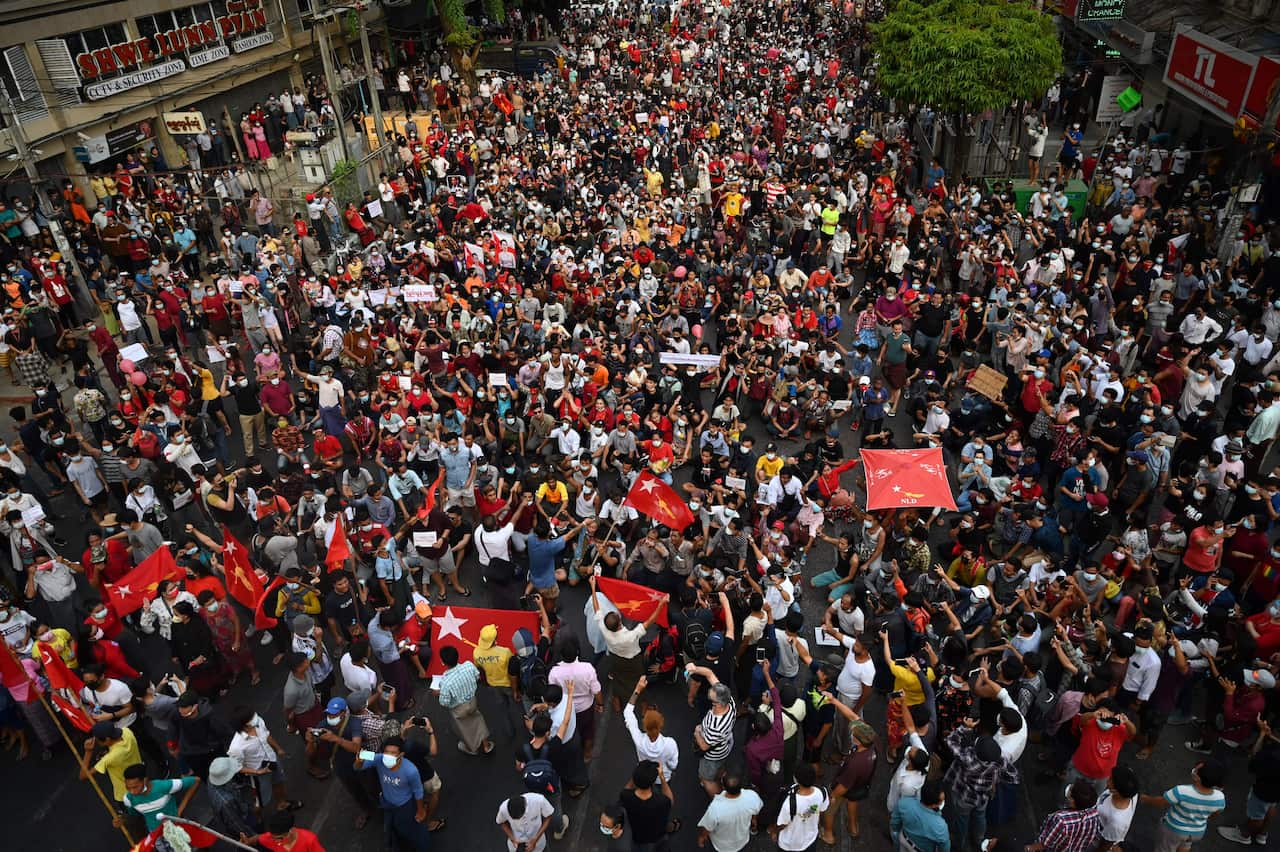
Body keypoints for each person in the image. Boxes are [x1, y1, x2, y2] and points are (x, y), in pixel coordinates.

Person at [357, 735, 431, 852]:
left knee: (411, 831)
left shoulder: (410, 771)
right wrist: (358, 760)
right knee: (392, 829)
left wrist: (420, 810)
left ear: (401, 754)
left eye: (393, 753)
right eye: (386, 752)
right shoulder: (380, 758)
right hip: (387, 803)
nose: (388, 756)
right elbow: (359, 762)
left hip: (404, 806)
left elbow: (418, 791)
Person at [1140, 761, 1227, 852]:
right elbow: (1215, 813)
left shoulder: (1181, 791)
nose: (1194, 769)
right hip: (1197, 832)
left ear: (1198, 778)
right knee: (1185, 845)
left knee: (1165, 848)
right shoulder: (1220, 797)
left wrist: (1146, 799)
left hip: (1174, 830)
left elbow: (1161, 802)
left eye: (1196, 769)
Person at [432, 645, 493, 755]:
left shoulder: (445, 682)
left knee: (465, 729)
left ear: (443, 662)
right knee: (478, 720)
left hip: (458, 709)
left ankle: (472, 749)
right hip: (472, 701)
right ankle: (486, 745)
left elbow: (444, 702)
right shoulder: (469, 666)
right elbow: (477, 677)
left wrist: (438, 693)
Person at [117, 763, 201, 831]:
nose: (132, 791)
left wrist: (180, 811)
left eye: (135, 787)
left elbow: (195, 781)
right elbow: (134, 816)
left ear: (145, 780)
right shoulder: (128, 799)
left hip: (179, 828)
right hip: (156, 835)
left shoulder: (163, 786)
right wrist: (123, 820)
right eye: (128, 787)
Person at [696, 769, 762, 852]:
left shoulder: (716, 808)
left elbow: (708, 827)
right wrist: (754, 819)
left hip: (722, 846)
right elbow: (756, 809)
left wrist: (702, 837)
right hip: (742, 839)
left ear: (723, 787)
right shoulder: (752, 796)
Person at [1027, 780, 1101, 852]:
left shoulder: (1060, 820)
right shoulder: (1094, 813)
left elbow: (1044, 844)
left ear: (1072, 801)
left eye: (1071, 789)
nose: (1070, 787)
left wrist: (1030, 848)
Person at [891, 778, 950, 852]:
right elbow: (945, 849)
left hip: (904, 840)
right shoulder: (941, 827)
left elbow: (894, 824)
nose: (942, 802)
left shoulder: (904, 803)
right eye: (941, 801)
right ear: (934, 805)